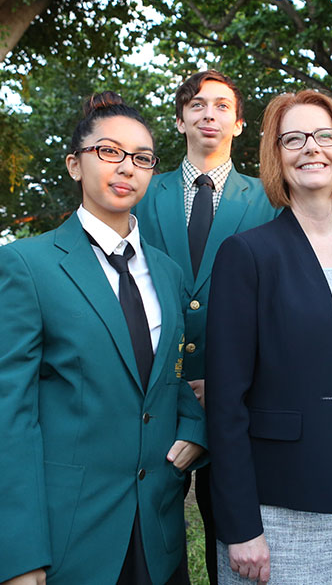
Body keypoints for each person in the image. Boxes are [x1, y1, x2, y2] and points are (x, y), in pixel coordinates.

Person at [0, 92, 206, 585]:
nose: (126, 168)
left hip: (157, 534)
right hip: (68, 537)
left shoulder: (166, 273)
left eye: (141, 158)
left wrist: (194, 428)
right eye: (109, 151)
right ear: (75, 165)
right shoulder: (28, 265)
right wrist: (18, 558)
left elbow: (166, 377)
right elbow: (6, 414)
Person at [206, 90, 332, 584]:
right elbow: (225, 403)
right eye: (293, 139)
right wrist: (241, 526)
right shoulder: (247, 255)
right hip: (278, 503)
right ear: (276, 157)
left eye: (324, 135)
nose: (311, 147)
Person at [133, 70, 277, 583]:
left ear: (239, 123)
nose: (208, 113)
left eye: (221, 106)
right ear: (180, 120)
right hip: (157, 395)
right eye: (196, 105)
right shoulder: (142, 193)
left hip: (237, 396)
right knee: (151, 539)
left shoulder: (269, 199)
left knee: (232, 532)